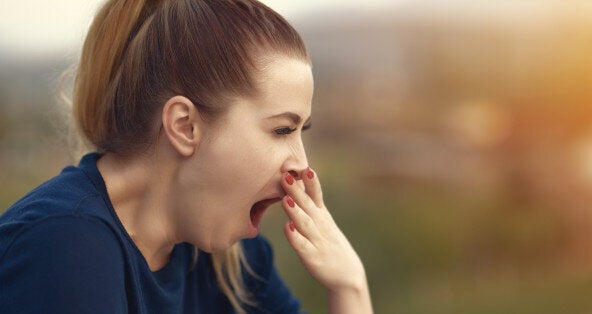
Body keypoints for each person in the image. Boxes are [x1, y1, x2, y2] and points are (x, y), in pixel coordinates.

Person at [0, 0, 372, 313]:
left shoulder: (231, 259)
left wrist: (349, 286)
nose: (302, 166)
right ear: (185, 126)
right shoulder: (65, 247)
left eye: (300, 131)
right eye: (281, 130)